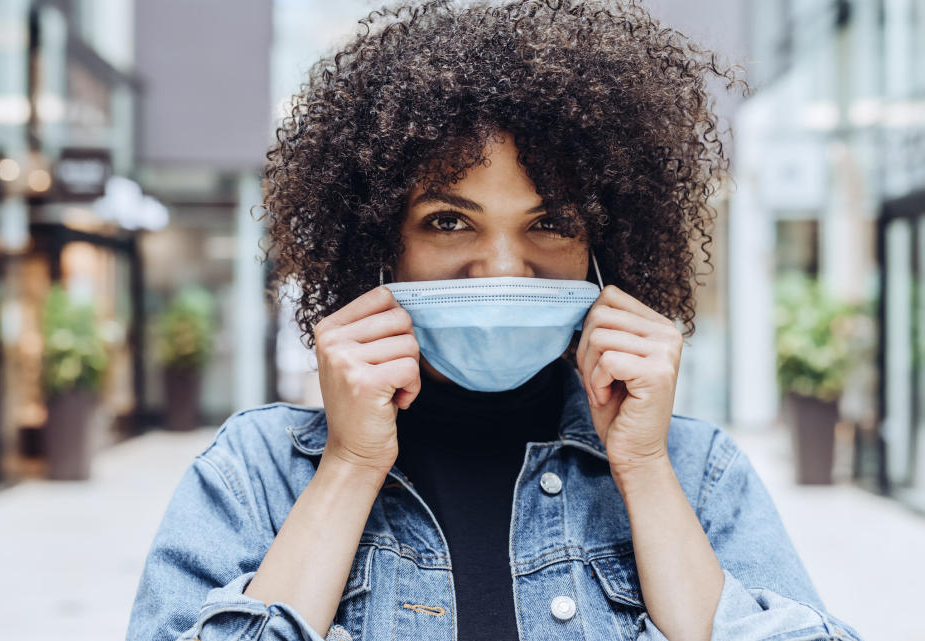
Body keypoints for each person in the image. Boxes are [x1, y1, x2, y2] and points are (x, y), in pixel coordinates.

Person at [126, 1, 866, 640]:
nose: (503, 266)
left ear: (601, 249)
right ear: (382, 244)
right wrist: (348, 468)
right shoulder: (255, 474)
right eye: (450, 221)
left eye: (551, 221)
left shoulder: (696, 472)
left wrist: (643, 472)